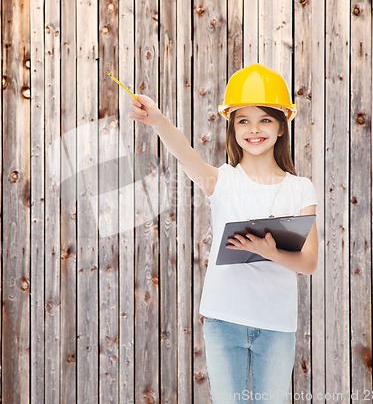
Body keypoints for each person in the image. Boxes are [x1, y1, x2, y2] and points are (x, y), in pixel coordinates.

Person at [130, 63, 318, 403]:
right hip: (223, 320)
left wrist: (269, 251)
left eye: (264, 120)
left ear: (280, 127)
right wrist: (156, 119)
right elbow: (185, 153)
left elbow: (308, 263)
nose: (253, 129)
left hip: (276, 325)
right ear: (232, 128)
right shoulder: (221, 181)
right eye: (243, 121)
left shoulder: (300, 189)